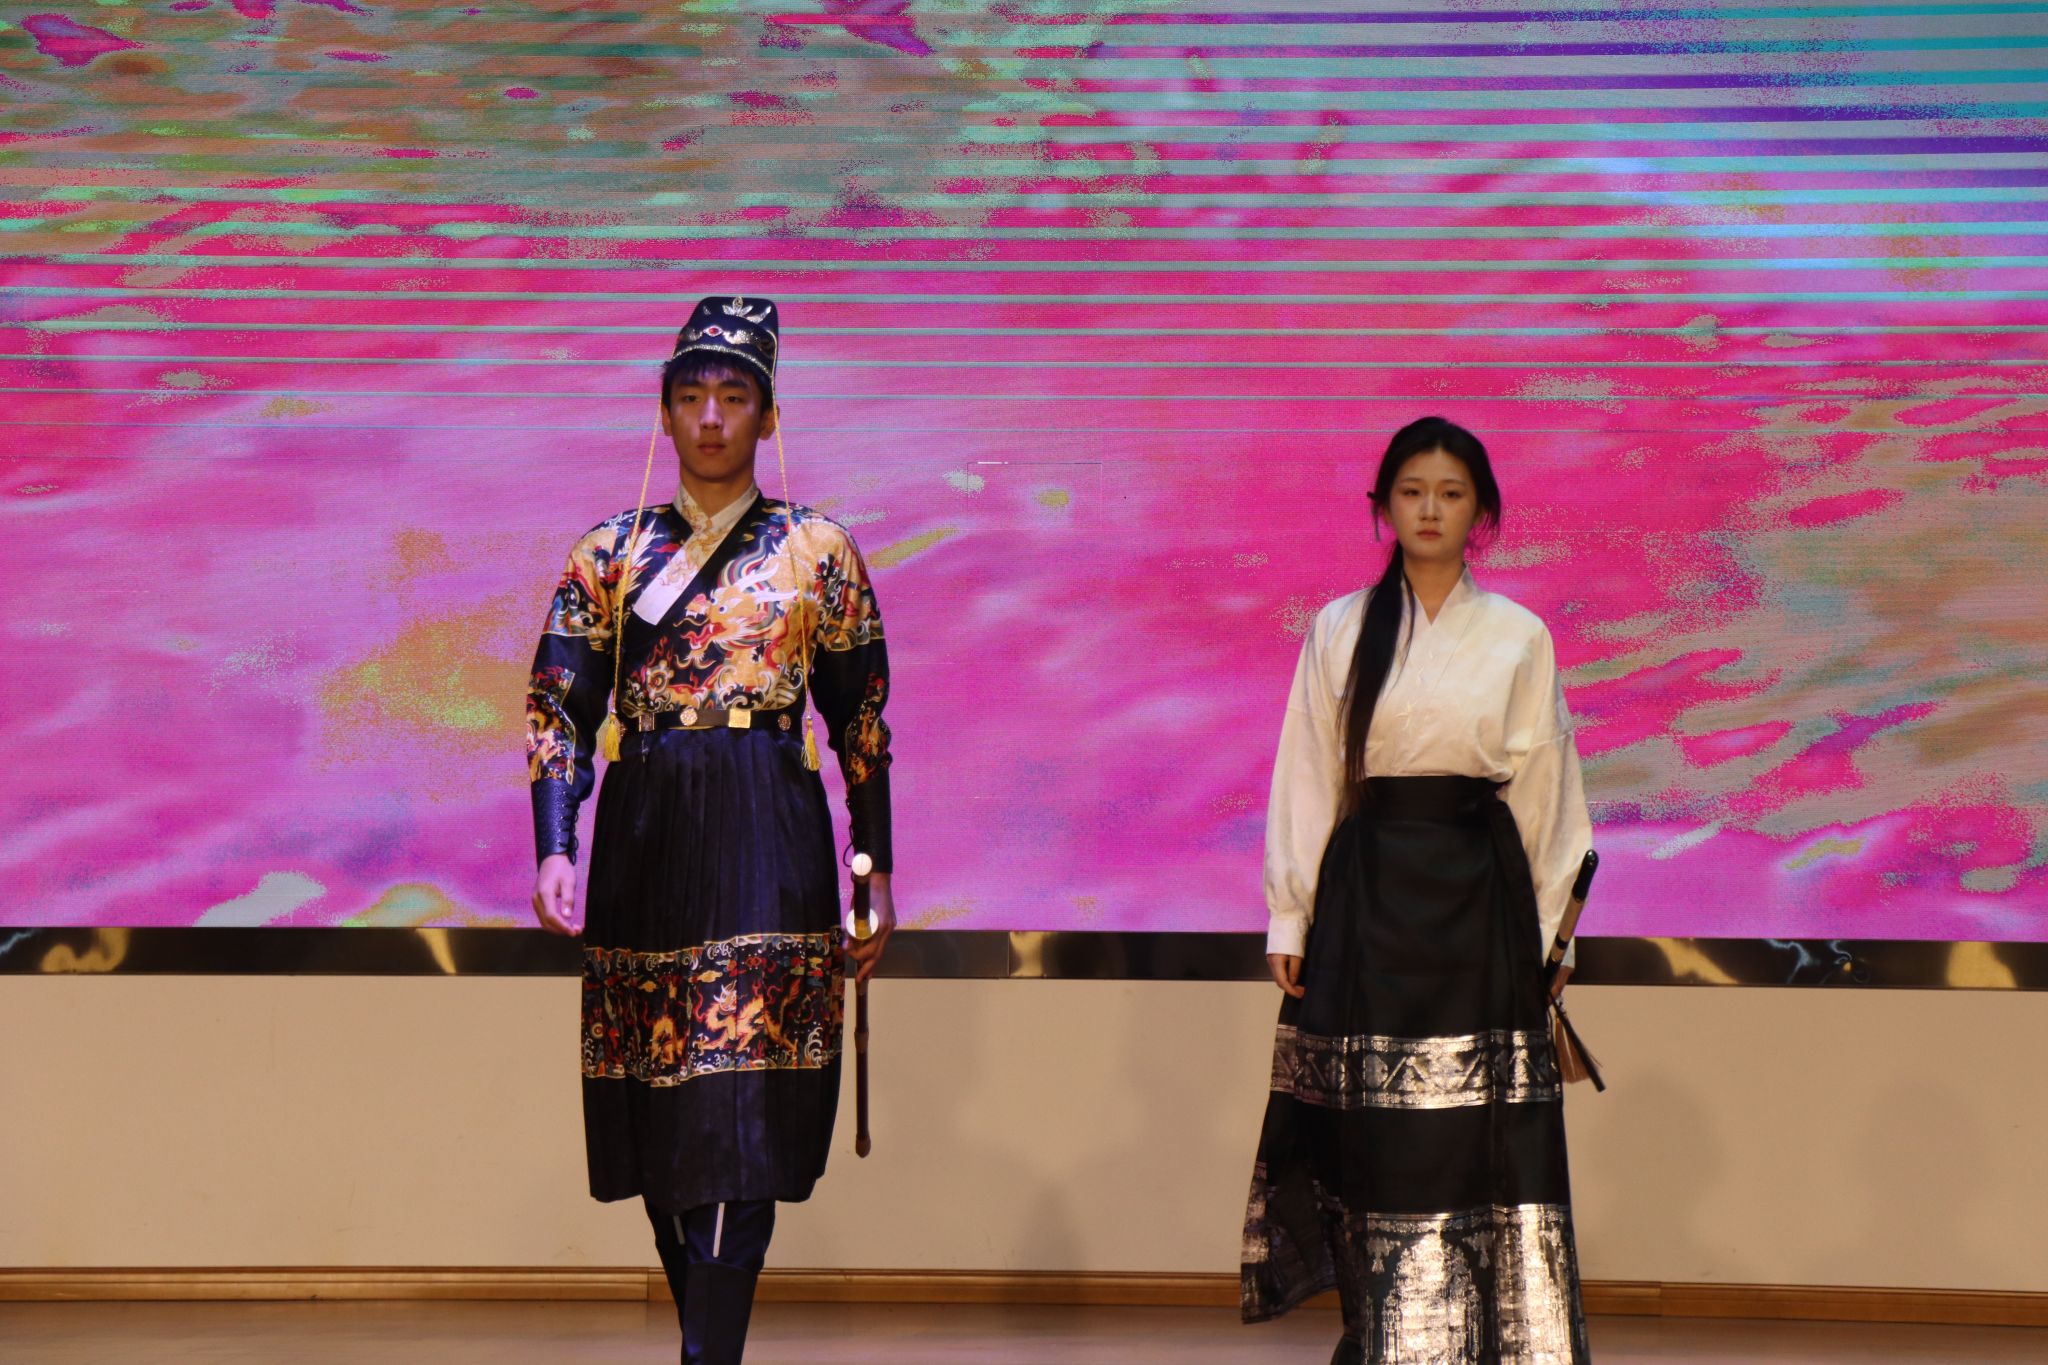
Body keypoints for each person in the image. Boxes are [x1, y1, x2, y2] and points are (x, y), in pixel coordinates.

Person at [523, 295, 896, 1363]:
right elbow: (557, 710)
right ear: (664, 412)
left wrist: (873, 872)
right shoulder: (607, 553)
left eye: (734, 396)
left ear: (768, 415)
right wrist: (555, 844)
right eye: (691, 396)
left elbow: (861, 721)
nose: (712, 417)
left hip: (768, 825)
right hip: (644, 830)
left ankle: (707, 1355)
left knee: (738, 1106)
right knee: (665, 1108)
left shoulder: (819, 551)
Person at [1240, 417, 1593, 1363]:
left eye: (1450, 492)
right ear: (1384, 506)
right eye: (1411, 491)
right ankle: (1384, 1333)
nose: (1430, 508)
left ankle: (1488, 1340)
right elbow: (1309, 773)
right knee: (1372, 1136)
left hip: (1479, 900)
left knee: (1479, 1134)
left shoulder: (1518, 635)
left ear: (1482, 511)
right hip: (1367, 898)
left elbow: (1547, 790)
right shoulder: (1339, 628)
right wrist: (1290, 912)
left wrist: (1552, 935)